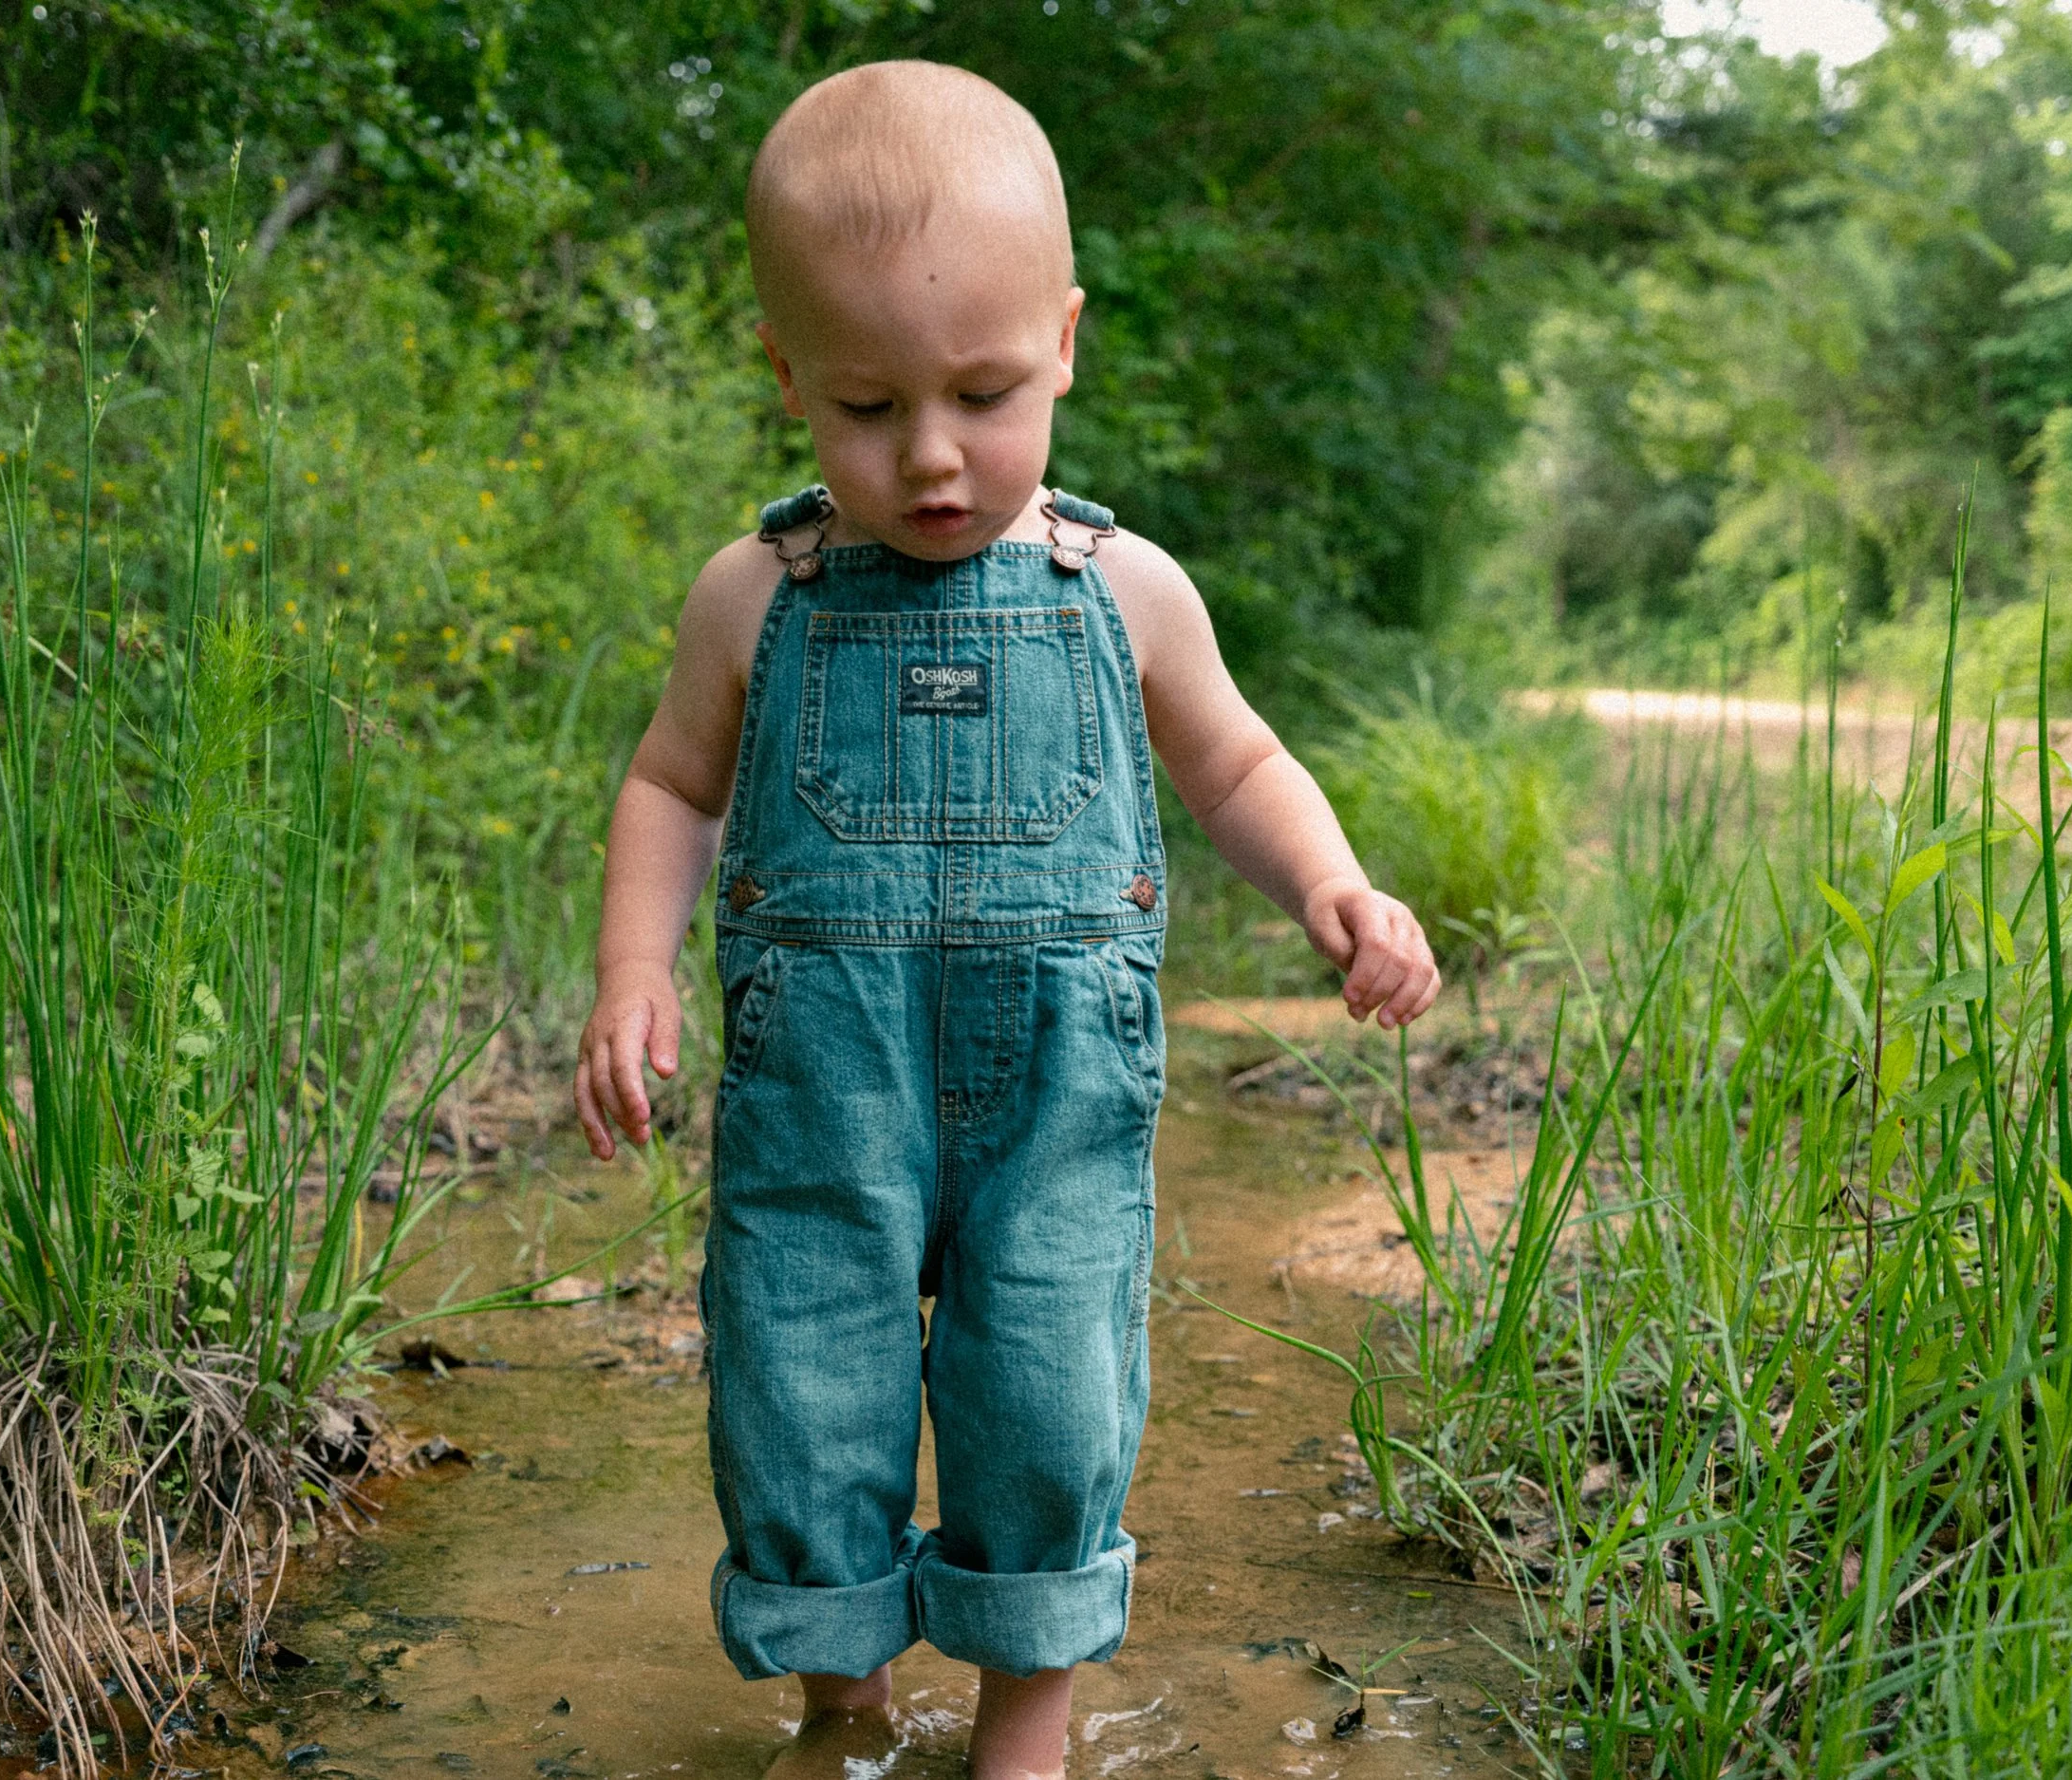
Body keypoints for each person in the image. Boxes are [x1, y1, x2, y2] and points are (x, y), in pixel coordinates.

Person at [572, 59, 1440, 1780]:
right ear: (789, 378)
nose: (935, 455)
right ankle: (841, 1701)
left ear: (1066, 340)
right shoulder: (761, 592)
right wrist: (631, 970)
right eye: (867, 406)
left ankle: (1025, 1730)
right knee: (797, 1380)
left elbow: (1237, 760)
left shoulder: (1119, 588)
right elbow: (674, 786)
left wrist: (1335, 883)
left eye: (983, 391)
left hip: (1055, 1105)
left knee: (1045, 1385)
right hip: (824, 1097)